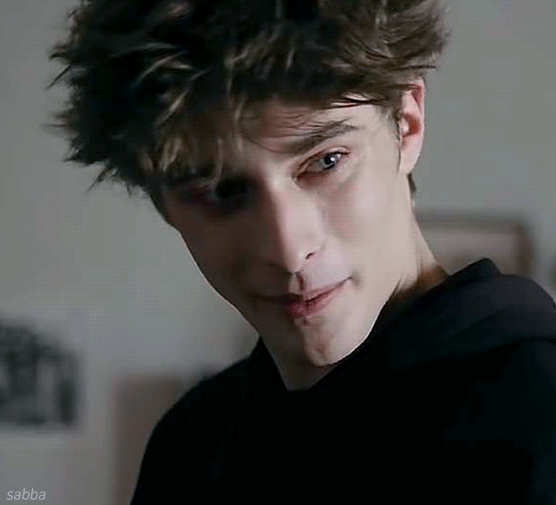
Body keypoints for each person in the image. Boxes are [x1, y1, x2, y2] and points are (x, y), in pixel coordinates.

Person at [47, 0, 556, 502]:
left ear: (407, 123)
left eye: (327, 161)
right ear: (161, 202)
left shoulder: (538, 409)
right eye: (221, 190)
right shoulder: (192, 443)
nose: (289, 251)